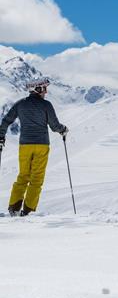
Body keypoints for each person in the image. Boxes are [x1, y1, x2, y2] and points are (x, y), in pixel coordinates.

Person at [0, 78, 68, 216]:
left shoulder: (20, 104)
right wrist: (63, 130)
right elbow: (54, 126)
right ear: (37, 89)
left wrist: (1, 136)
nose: (46, 91)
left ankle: (14, 207)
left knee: (23, 176)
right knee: (36, 178)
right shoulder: (46, 105)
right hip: (42, 145)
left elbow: (6, 120)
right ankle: (28, 211)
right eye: (43, 88)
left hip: (25, 145)